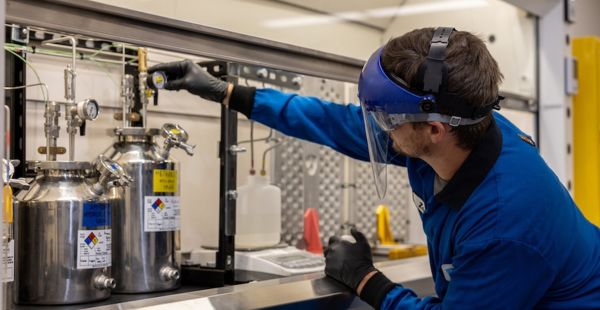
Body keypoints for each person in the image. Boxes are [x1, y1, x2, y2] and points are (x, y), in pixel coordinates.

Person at [149, 27, 600, 309]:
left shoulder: (504, 224)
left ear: (435, 129)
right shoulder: (459, 131)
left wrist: (366, 279)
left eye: (386, 118)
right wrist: (230, 93)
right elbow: (334, 122)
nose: (378, 130)